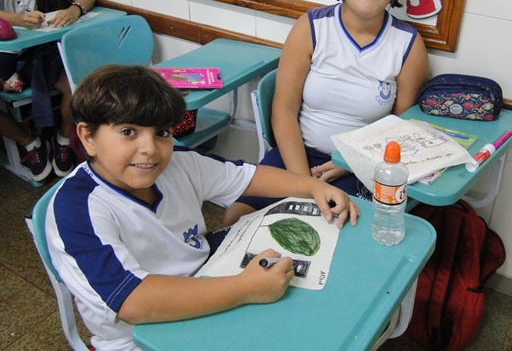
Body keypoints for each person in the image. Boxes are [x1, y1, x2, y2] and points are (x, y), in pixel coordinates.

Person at [45, 65, 359, 351]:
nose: (150, 149)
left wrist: (313, 187)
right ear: (88, 137)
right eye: (128, 132)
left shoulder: (178, 164)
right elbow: (133, 301)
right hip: (141, 336)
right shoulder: (77, 209)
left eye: (162, 133)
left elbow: (249, 178)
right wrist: (245, 288)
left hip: (210, 279)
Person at [230, 0, 429, 218]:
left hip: (359, 166)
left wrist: (351, 162)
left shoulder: (408, 44)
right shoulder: (311, 27)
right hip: (296, 154)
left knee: (333, 229)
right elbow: (283, 112)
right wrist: (307, 184)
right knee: (236, 217)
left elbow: (400, 128)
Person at [0, 0, 96, 180]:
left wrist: (74, 10)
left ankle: (63, 138)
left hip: (43, 55)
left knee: (74, 86)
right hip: (7, 61)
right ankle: (30, 143)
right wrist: (18, 19)